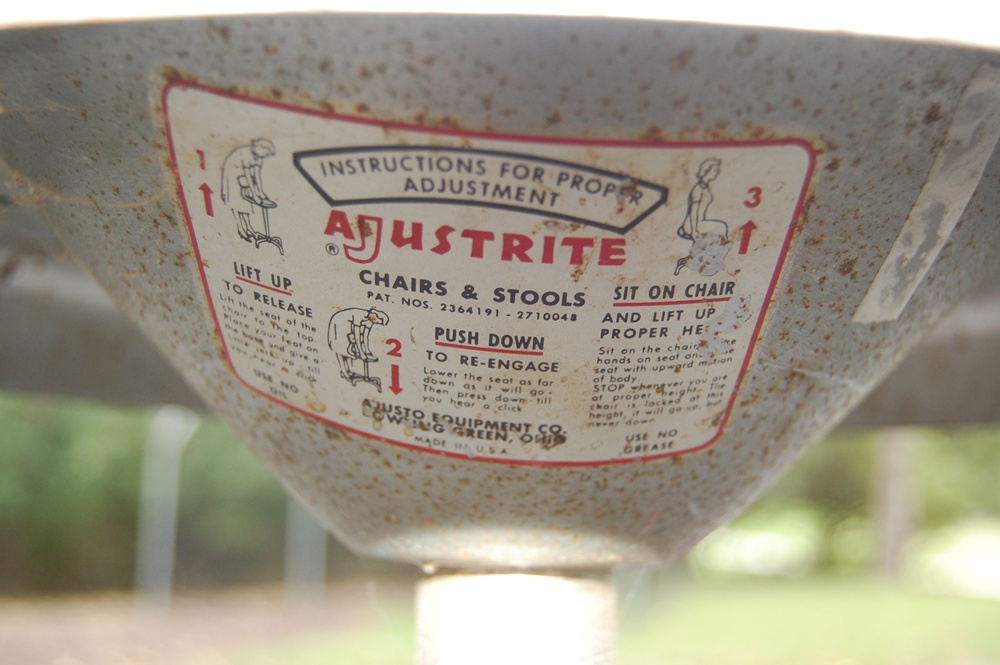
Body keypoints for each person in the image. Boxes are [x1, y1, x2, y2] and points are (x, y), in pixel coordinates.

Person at [220, 138, 277, 243]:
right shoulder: (245, 153)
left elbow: (257, 176)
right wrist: (255, 195)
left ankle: (249, 228)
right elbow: (248, 176)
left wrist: (261, 193)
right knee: (236, 203)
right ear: (260, 148)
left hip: (243, 181)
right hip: (233, 176)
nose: (266, 156)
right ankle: (241, 229)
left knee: (246, 204)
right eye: (266, 153)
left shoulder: (259, 158)